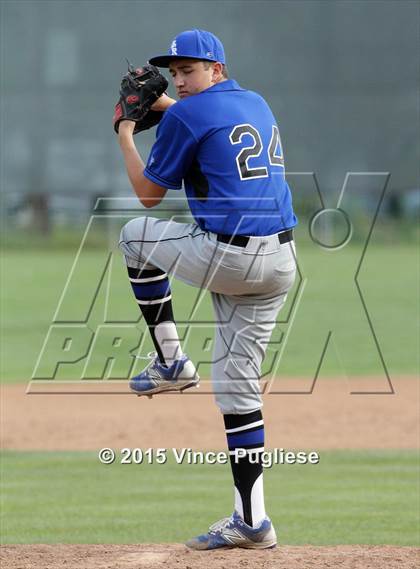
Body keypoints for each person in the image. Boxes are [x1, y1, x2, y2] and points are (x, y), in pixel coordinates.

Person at [117, 29, 297, 550]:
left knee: (134, 237)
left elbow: (148, 196)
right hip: (281, 262)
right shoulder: (252, 100)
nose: (180, 78)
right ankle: (252, 522)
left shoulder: (189, 114)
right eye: (174, 72)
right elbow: (202, 119)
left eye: (189, 70)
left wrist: (126, 130)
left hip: (232, 257)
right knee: (238, 393)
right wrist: (168, 102)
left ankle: (171, 361)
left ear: (216, 69)